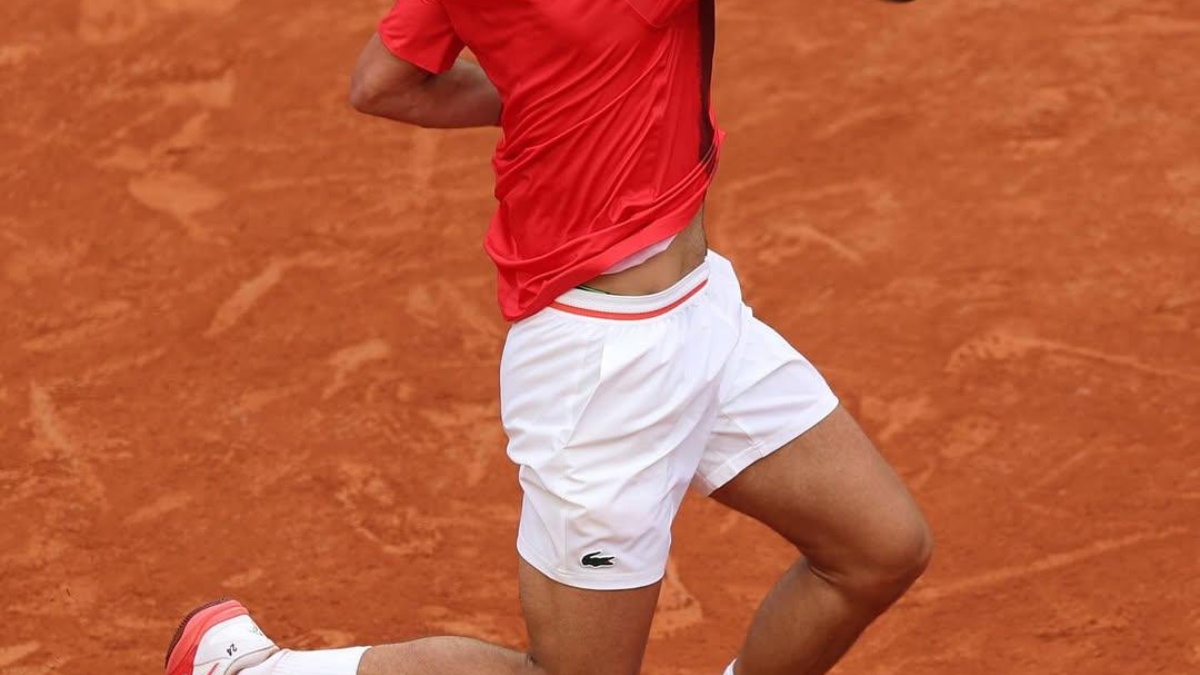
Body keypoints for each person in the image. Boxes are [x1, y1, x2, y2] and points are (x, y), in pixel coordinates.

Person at [163, 2, 933, 675]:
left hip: (704, 314)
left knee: (876, 547)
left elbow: (383, 82)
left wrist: (552, 90)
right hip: (604, 366)